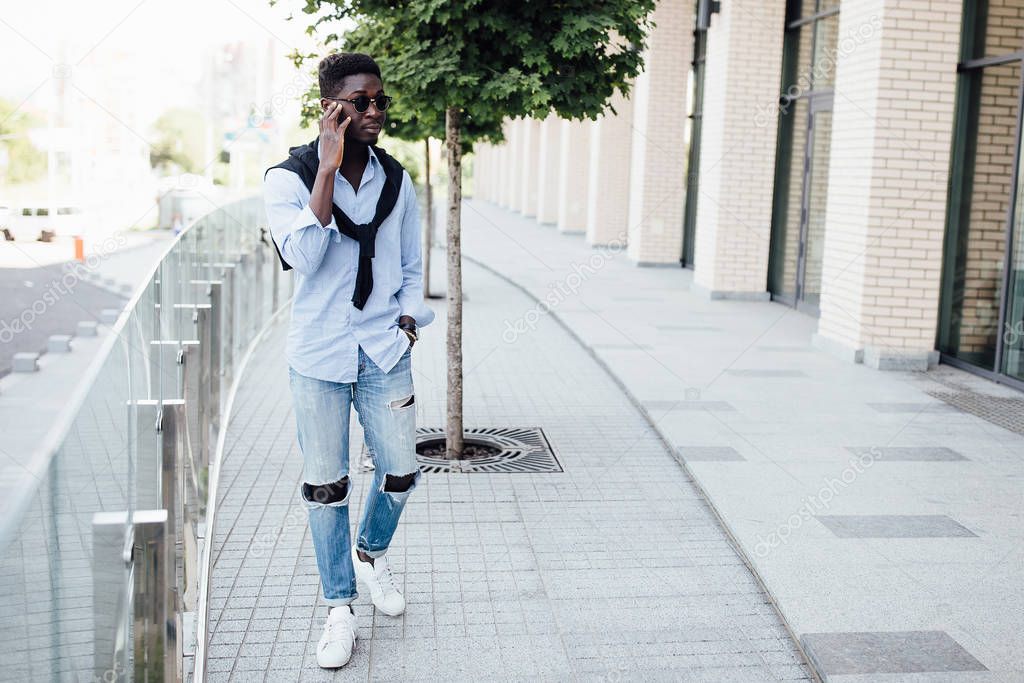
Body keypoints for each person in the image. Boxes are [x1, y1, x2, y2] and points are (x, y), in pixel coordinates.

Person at [262, 52, 435, 669]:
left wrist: (410, 317)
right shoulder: (286, 179)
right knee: (326, 485)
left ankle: (370, 554)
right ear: (329, 107)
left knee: (401, 471)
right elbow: (305, 258)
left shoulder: (397, 179)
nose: (374, 112)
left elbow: (412, 263)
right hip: (320, 355)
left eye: (380, 100)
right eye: (360, 101)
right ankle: (339, 608)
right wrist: (328, 171)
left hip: (384, 348)